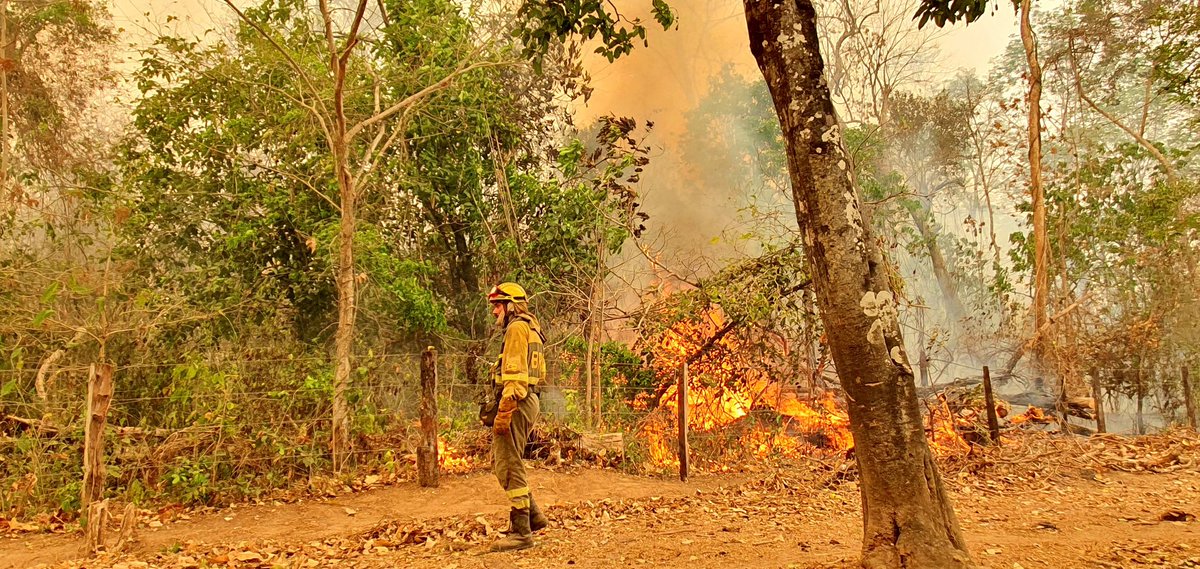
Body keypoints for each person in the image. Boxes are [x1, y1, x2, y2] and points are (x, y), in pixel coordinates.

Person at [484, 282, 550, 552]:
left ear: (512, 305)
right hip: (529, 400)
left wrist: (504, 410)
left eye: (498, 305)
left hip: (517, 401)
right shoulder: (531, 327)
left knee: (508, 465)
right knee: (507, 462)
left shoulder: (515, 328)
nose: (495, 311)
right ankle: (533, 516)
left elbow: (514, 375)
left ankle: (522, 532)